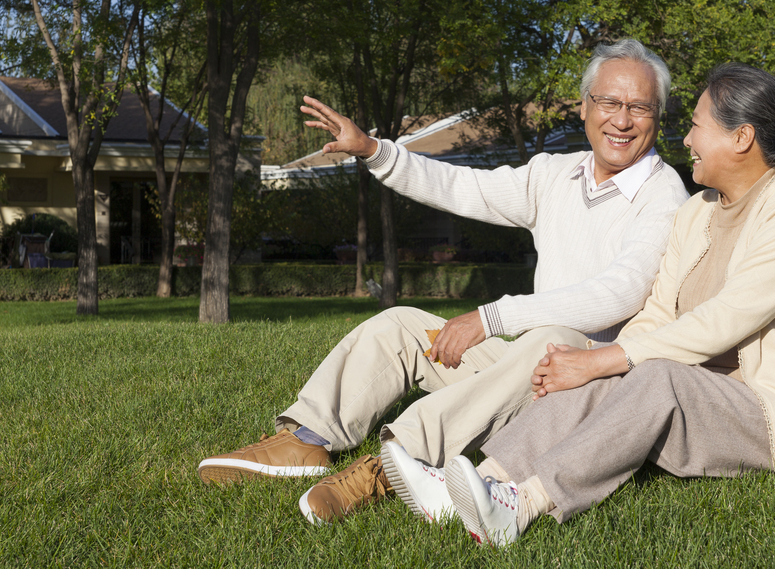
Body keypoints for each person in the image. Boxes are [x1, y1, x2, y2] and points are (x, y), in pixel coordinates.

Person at [196, 39, 690, 525]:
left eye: (640, 107)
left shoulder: (663, 193)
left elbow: (619, 293)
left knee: (553, 339)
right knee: (400, 326)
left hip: (584, 379)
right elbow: (464, 187)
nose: (622, 120)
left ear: (657, 117)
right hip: (524, 361)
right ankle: (306, 440)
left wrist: (493, 317)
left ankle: (392, 463)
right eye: (609, 102)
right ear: (585, 107)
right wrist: (373, 150)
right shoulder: (555, 174)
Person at [382, 62, 775, 546]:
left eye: (698, 127)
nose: (686, 141)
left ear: (741, 137)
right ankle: (472, 488)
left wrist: (601, 358)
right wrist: (590, 367)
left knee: (651, 374)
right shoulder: (696, 212)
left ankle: (524, 503)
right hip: (706, 389)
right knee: (604, 371)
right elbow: (659, 312)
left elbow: (719, 324)